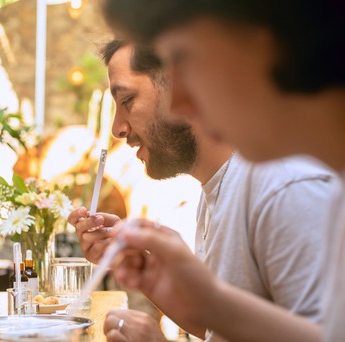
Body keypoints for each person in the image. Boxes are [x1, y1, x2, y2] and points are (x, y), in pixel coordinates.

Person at [97, 0, 345, 341]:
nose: (184, 103)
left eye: (186, 61)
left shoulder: (290, 184)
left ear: (259, 42)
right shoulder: (236, 185)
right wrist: (208, 302)